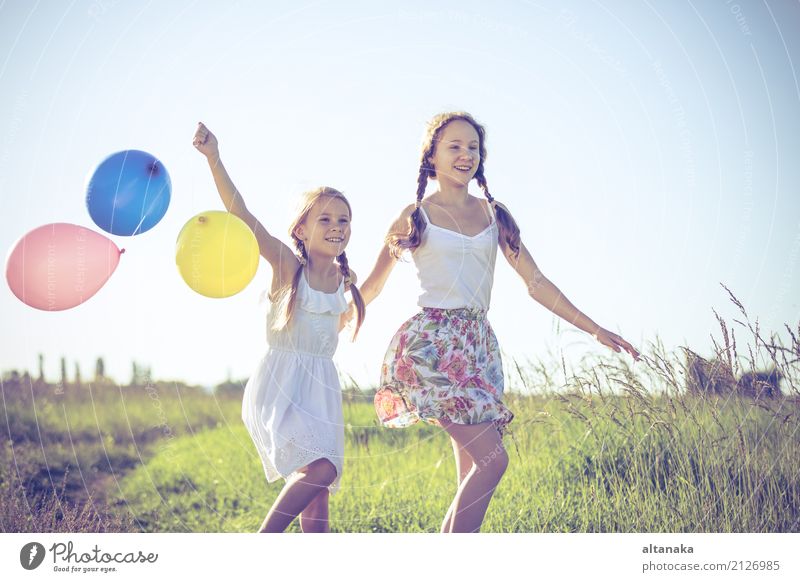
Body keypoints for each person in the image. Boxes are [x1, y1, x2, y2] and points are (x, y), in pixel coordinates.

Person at [358, 112, 640, 533]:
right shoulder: (414, 215)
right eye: (454, 146)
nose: (465, 154)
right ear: (431, 155)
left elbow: (536, 282)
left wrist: (594, 328)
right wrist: (342, 313)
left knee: (471, 473)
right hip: (431, 348)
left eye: (473, 147)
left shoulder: (495, 216)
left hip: (477, 351)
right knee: (494, 462)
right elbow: (374, 285)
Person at [192, 122, 365, 533]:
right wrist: (214, 158)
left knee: (318, 489)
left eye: (344, 219)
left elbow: (367, 287)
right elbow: (242, 216)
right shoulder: (289, 267)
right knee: (320, 471)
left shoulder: (343, 283)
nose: (337, 225)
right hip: (281, 388)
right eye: (325, 218)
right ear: (302, 230)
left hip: (320, 392)